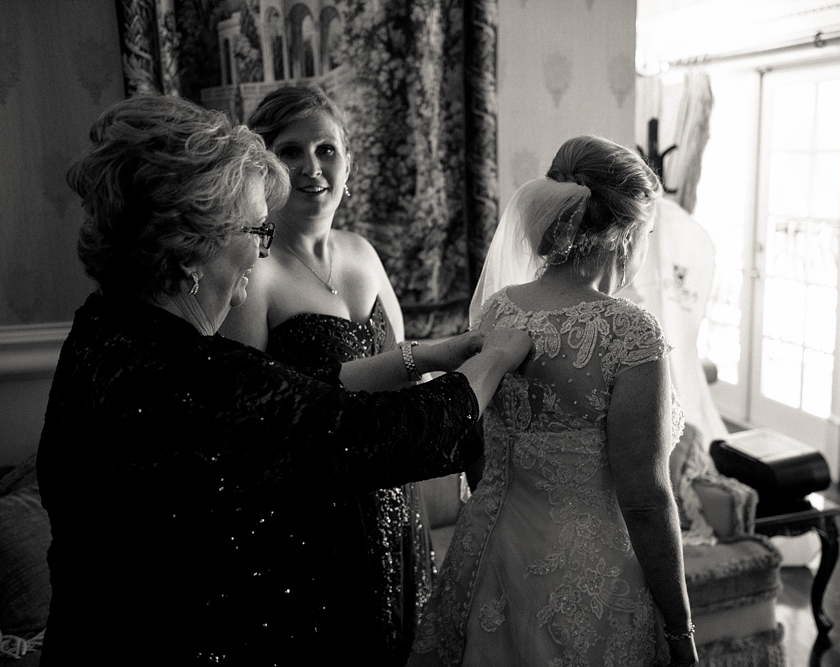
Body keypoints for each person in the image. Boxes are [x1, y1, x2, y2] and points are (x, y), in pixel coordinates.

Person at [35, 94, 532, 665]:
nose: (258, 254)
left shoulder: (103, 331)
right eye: (253, 230)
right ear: (191, 247)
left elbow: (300, 400)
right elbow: (381, 430)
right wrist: (495, 358)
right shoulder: (194, 379)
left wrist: (430, 355)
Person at [408, 136, 699, 666]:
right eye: (649, 232)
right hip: (589, 574)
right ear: (627, 233)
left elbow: (476, 444)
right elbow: (646, 501)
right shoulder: (629, 333)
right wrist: (681, 631)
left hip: (487, 552)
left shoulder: (500, 311)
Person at [218, 85, 434, 663]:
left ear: (348, 163)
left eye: (326, 151)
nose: (312, 168)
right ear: (263, 168)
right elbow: (248, 424)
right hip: (312, 528)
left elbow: (406, 366)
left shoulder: (362, 252)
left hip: (397, 500)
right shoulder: (254, 276)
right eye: (291, 152)